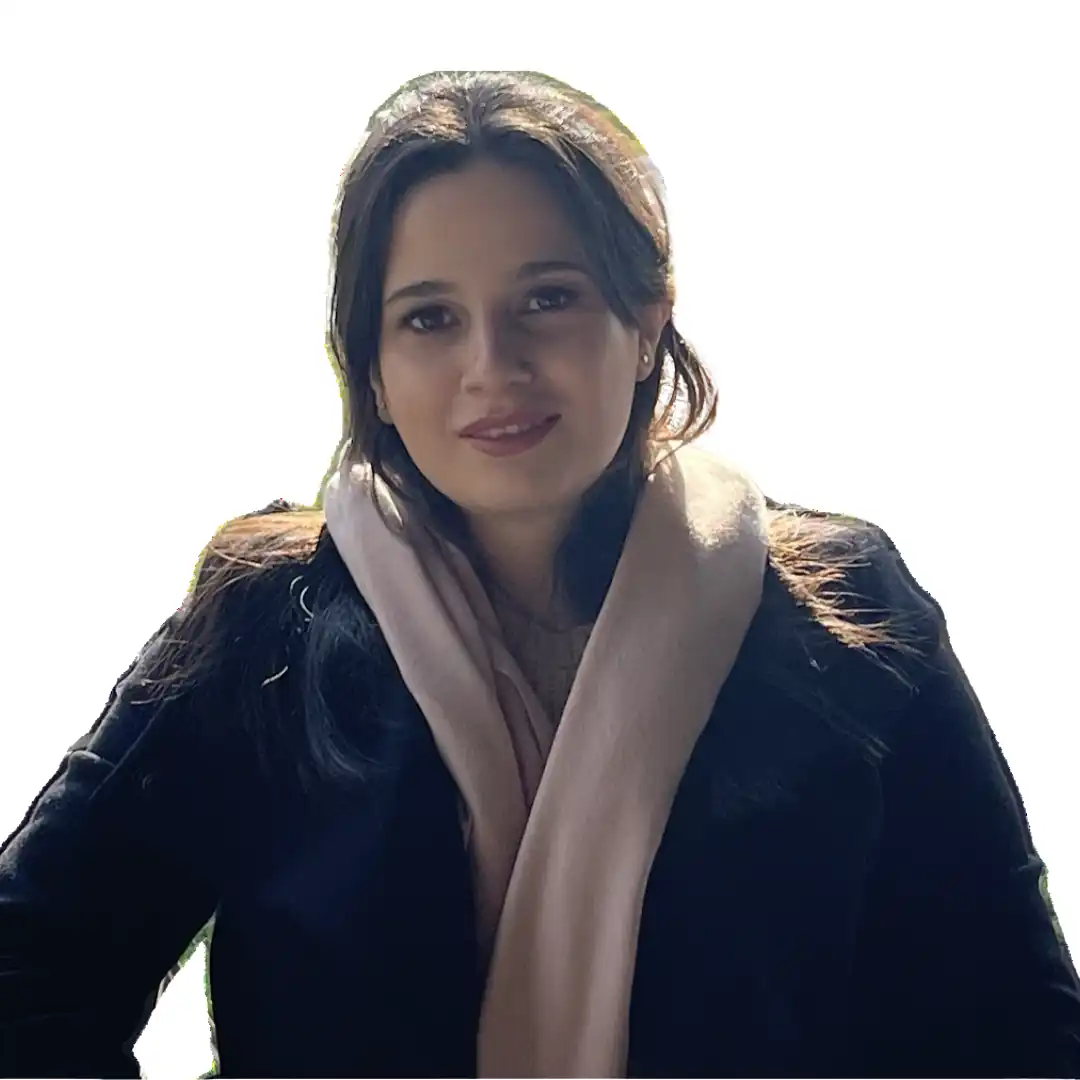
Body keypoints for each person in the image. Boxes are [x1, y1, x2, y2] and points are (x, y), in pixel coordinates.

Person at [1, 69, 1078, 1080]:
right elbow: (27, 970)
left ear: (646, 322)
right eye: (430, 318)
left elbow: (1015, 1021)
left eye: (548, 299)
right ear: (371, 368)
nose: (494, 367)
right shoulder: (261, 624)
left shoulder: (843, 613)